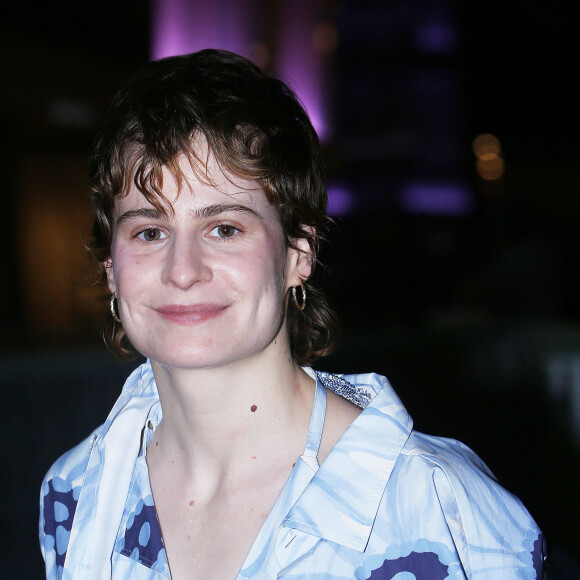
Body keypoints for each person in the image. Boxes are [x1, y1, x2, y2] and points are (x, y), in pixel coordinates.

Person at [39, 49, 545, 579]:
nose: (182, 270)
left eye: (225, 228)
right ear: (113, 269)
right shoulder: (74, 497)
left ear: (297, 255)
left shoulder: (441, 510)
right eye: (149, 231)